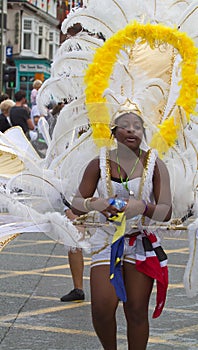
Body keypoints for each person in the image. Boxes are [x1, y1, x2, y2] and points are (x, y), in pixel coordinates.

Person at [71, 106, 172, 349]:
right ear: (113, 131)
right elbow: (76, 204)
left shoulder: (156, 165)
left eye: (137, 126)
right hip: (107, 240)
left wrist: (143, 207)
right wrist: (96, 203)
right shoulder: (98, 164)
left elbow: (166, 212)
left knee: (136, 311)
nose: (132, 130)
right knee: (102, 308)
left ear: (143, 133)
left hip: (140, 241)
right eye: (125, 125)